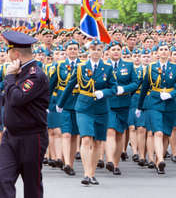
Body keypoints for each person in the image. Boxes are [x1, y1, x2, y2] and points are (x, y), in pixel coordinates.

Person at [57, 39, 117, 185]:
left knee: (97, 142)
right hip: (84, 107)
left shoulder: (107, 68)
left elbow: (114, 88)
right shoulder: (80, 67)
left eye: (99, 49)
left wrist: (104, 92)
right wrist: (60, 104)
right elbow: (70, 86)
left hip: (101, 108)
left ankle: (92, 172)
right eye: (93, 49)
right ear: (89, 51)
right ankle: (86, 174)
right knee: (85, 139)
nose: (96, 52)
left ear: (102, 51)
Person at [0, 30, 49, 198]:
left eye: (8, 52)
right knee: (2, 178)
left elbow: (17, 98)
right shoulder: (18, 72)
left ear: (16, 54)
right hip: (11, 136)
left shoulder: (35, 75)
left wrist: (9, 77)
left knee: (31, 185)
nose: (6, 57)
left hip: (31, 137)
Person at [136, 41, 176, 174]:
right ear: (157, 53)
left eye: (166, 49)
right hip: (154, 102)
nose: (164, 51)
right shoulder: (151, 67)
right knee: (158, 132)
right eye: (161, 49)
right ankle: (161, 160)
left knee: (166, 133)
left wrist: (171, 94)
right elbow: (145, 87)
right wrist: (139, 107)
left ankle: (158, 160)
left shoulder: (175, 68)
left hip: (169, 103)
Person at [105, 41, 139, 175]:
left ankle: (116, 163)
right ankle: (109, 161)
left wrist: (123, 89)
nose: (115, 52)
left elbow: (135, 83)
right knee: (110, 131)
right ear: (108, 52)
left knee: (119, 134)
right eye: (113, 49)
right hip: (108, 104)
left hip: (123, 103)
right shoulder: (104, 66)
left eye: (118, 49)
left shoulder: (128, 65)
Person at [50, 40, 81, 176]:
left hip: (79, 102)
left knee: (74, 135)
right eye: (70, 49)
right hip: (63, 103)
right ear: (66, 51)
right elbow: (51, 85)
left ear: (78, 51)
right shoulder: (59, 66)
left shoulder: (84, 66)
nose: (73, 51)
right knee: (66, 133)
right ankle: (67, 163)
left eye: (75, 48)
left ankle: (71, 163)